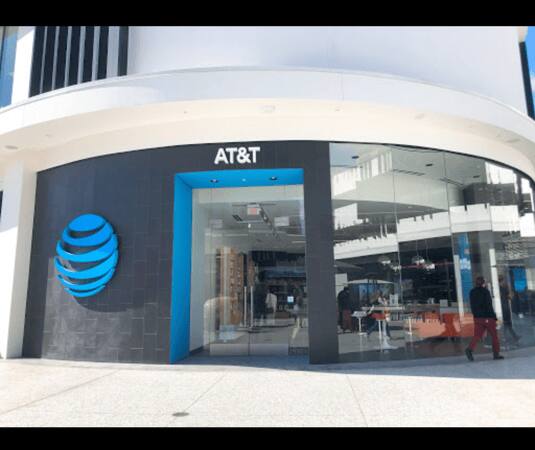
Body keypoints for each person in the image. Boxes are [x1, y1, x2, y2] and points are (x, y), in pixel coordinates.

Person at [465, 276, 504, 361]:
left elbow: (471, 305)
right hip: (488, 317)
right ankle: (496, 354)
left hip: (477, 318)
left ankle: (469, 349)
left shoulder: (472, 292)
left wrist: (475, 315)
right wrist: (494, 317)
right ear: (483, 283)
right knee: (494, 336)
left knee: (477, 336)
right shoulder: (485, 292)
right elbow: (489, 305)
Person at [499, 275, 521, 344]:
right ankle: (512, 337)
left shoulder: (500, 288)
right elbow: (510, 297)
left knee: (506, 324)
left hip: (503, 308)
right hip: (505, 308)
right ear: (502, 281)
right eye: (504, 280)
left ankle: (511, 336)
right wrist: (510, 292)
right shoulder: (503, 288)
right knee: (507, 323)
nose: (505, 282)